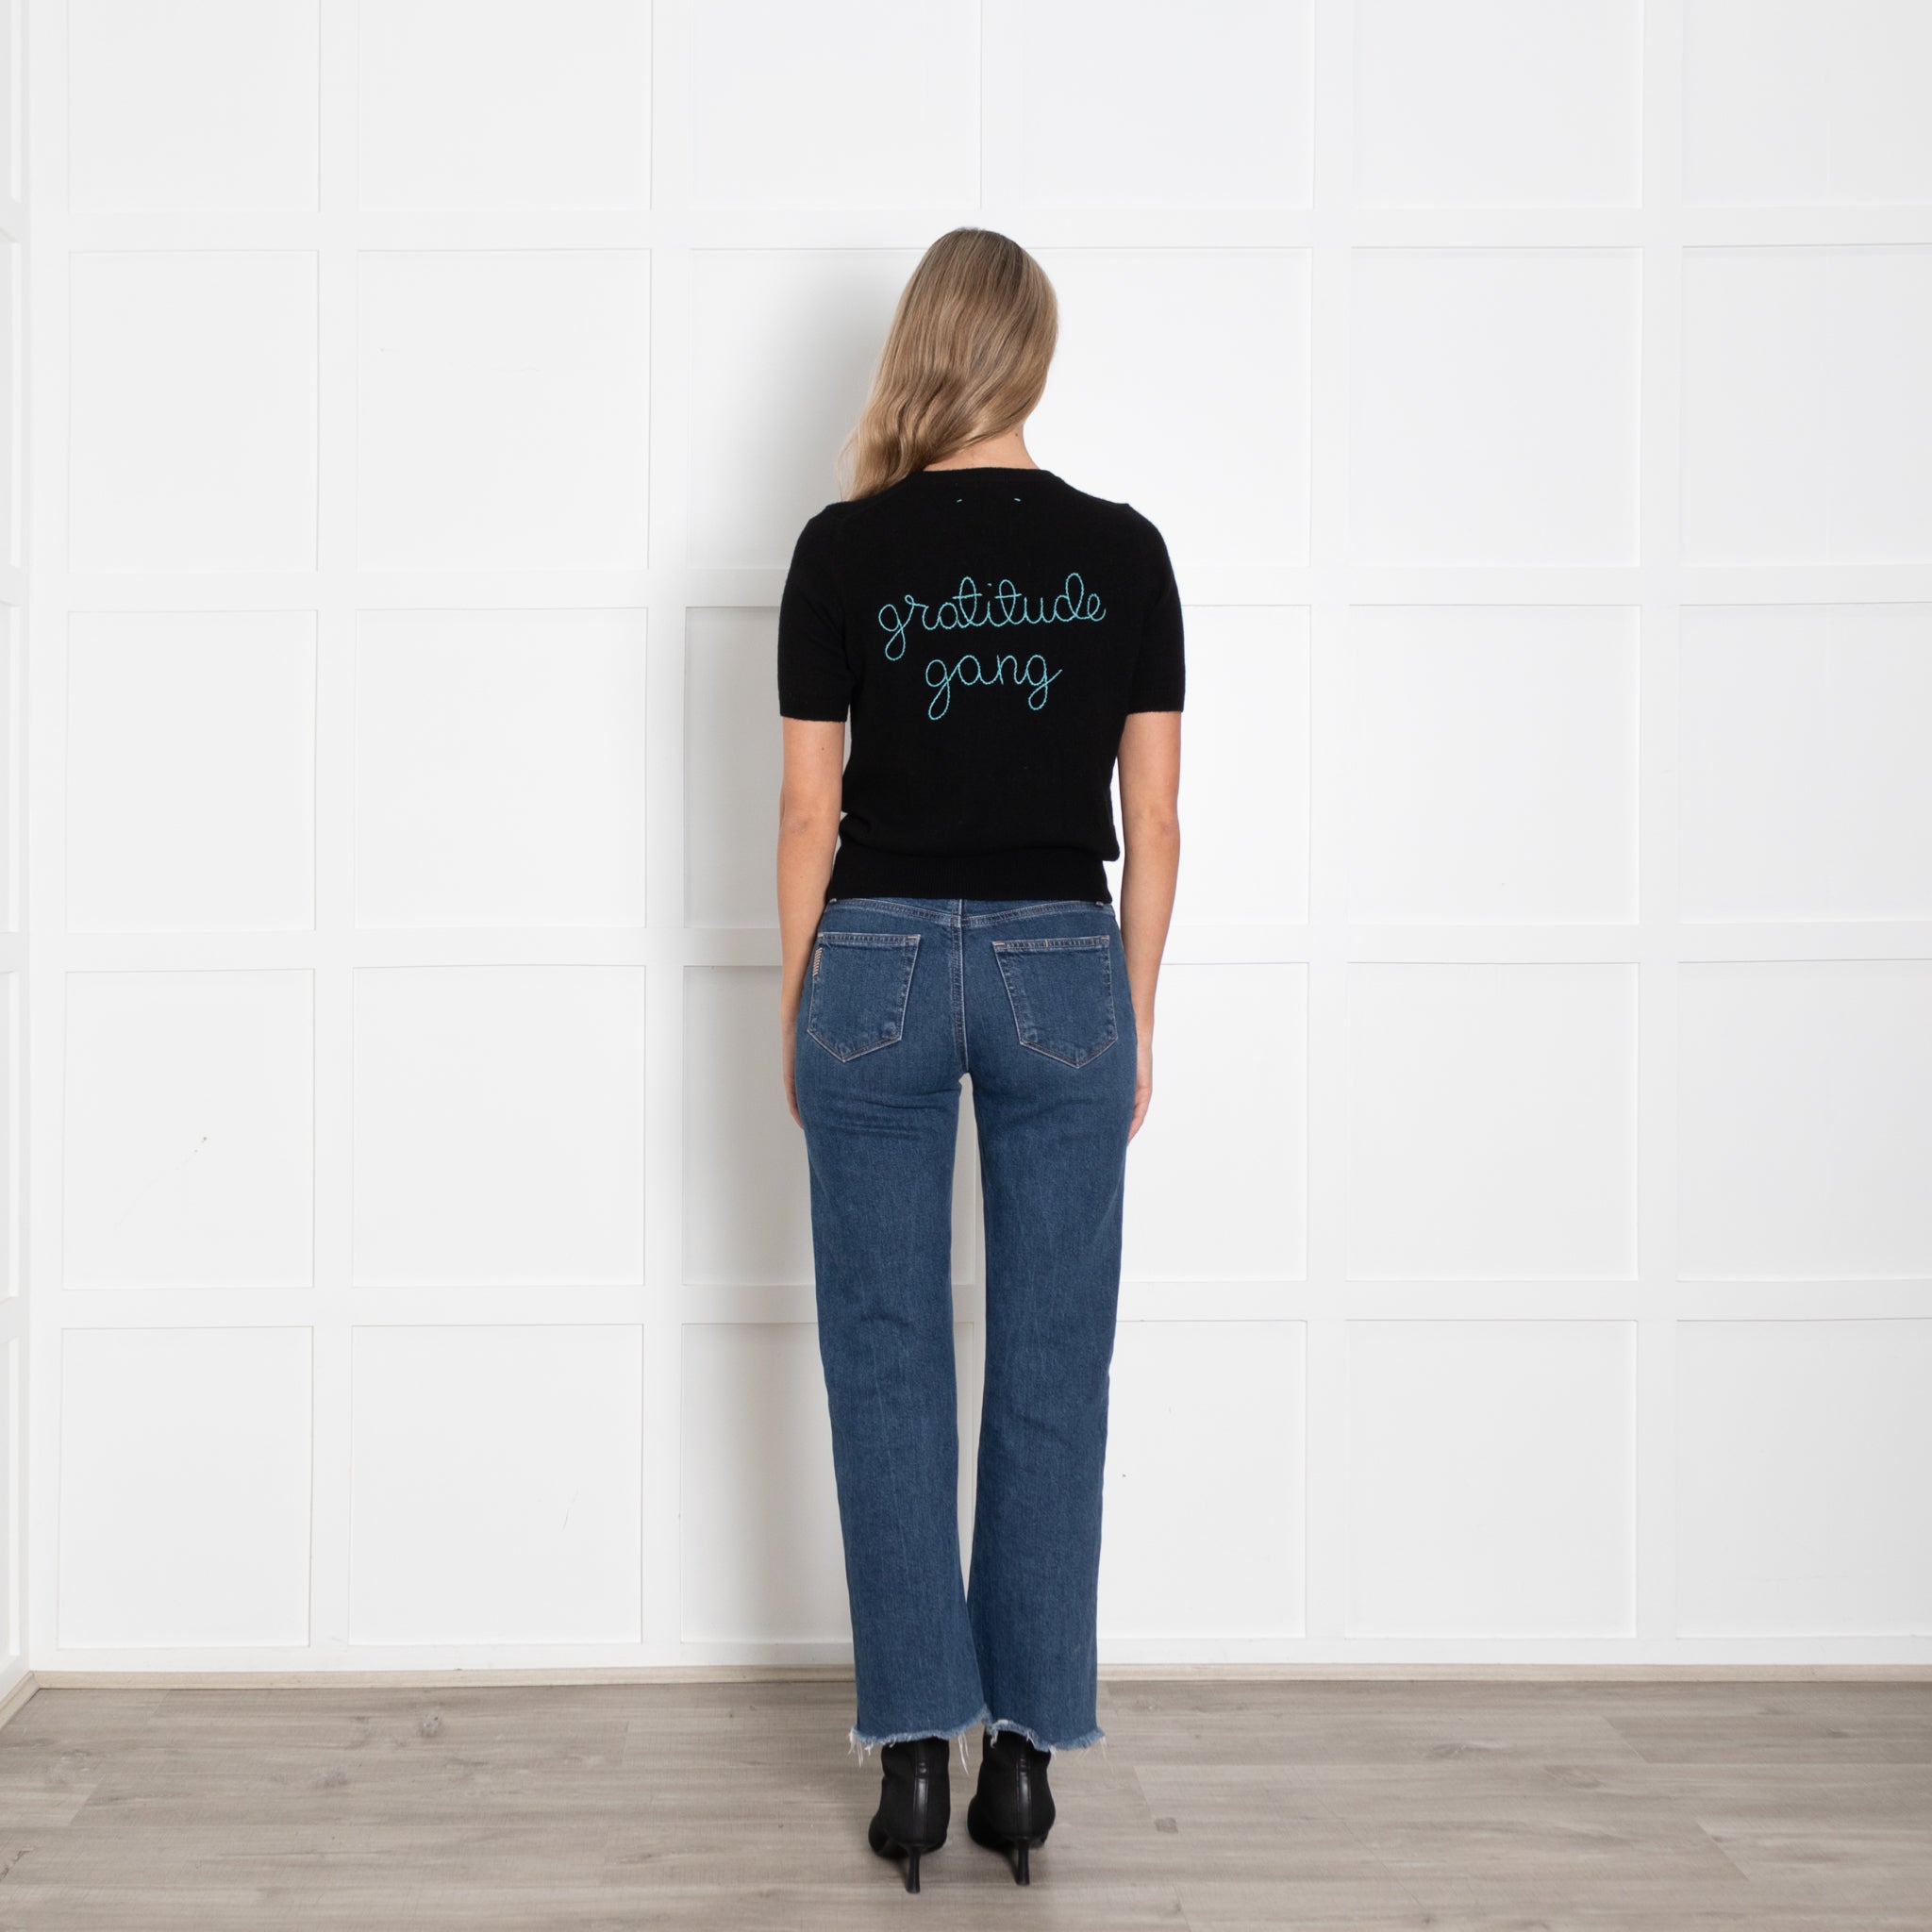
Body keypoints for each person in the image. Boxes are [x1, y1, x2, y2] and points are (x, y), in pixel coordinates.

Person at [774, 226, 1184, 1892]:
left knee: (883, 1358)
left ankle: (912, 1764)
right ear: (1034, 356)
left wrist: (795, 1003)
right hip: (1061, 962)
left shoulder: (841, 549)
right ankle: (1024, 1759)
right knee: (1052, 1361)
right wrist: (1132, 1010)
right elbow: (1157, 820)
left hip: (872, 961)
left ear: (923, 346)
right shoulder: (1124, 552)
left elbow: (810, 811)